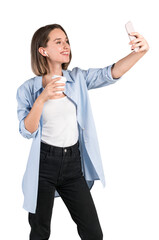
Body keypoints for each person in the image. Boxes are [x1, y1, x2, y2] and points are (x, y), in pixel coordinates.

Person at [16, 23, 149, 240]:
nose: (65, 45)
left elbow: (111, 72)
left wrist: (139, 52)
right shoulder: (28, 89)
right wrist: (42, 98)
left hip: (72, 165)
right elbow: (27, 130)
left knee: (93, 233)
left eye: (66, 41)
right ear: (43, 50)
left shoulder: (78, 79)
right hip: (43, 166)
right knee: (40, 232)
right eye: (58, 42)